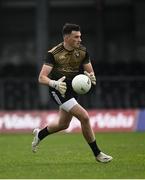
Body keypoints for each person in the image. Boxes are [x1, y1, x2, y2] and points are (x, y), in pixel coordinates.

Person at [32, 23, 113, 163]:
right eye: (76, 37)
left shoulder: (82, 51)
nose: (80, 39)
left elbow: (90, 71)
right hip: (59, 89)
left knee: (63, 124)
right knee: (84, 117)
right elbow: (41, 77)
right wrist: (54, 83)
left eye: (80, 36)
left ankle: (40, 134)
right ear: (67, 37)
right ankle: (98, 154)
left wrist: (91, 76)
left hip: (73, 89)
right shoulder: (53, 54)